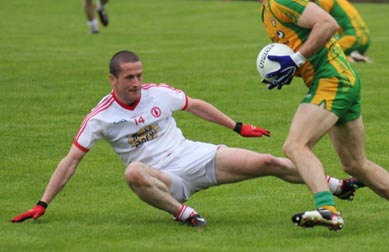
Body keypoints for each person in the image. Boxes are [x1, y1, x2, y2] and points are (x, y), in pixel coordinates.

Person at [11, 50, 362, 227]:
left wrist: (237, 126)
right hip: (164, 180)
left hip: (193, 156)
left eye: (139, 75)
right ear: (112, 79)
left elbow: (195, 106)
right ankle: (185, 214)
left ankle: (335, 186)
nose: (136, 82)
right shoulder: (100, 117)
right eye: (129, 77)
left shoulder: (157, 94)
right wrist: (43, 204)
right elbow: (70, 160)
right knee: (132, 174)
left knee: (268, 162)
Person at [234, 0, 389, 231]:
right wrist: (290, 68)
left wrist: (297, 58)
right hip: (341, 79)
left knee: (295, 145)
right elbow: (301, 44)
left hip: (332, 79)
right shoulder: (267, 9)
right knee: (355, 164)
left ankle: (327, 209)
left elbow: (327, 24)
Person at [296, 0, 371, 62]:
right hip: (363, 38)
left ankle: (353, 59)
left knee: (320, 53)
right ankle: (354, 55)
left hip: (354, 38)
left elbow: (323, 28)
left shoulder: (323, 0)